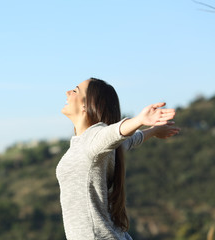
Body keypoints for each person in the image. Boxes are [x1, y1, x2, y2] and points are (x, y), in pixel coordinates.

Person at [56, 78, 179, 240]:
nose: (68, 92)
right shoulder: (91, 143)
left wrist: (139, 120)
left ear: (87, 104)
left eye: (75, 90)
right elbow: (127, 141)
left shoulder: (95, 137)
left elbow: (115, 133)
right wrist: (154, 131)